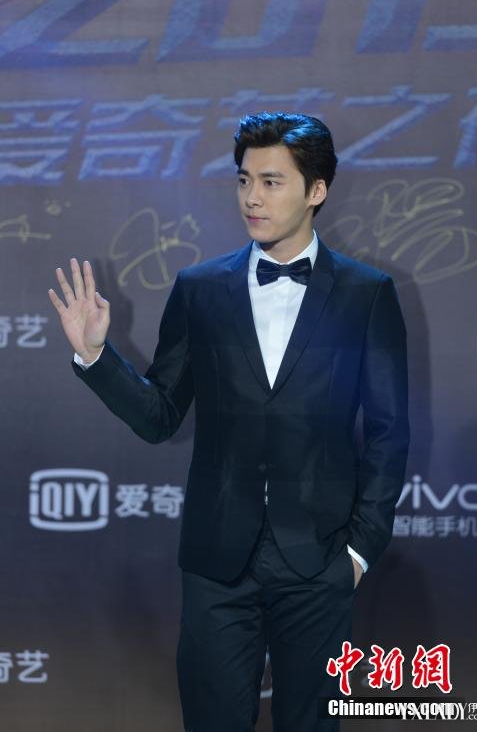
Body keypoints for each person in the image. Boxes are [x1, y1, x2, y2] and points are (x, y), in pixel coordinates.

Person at [48, 111, 410, 731]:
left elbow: (388, 432)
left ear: (316, 190)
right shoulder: (200, 288)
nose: (251, 198)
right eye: (244, 180)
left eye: (271, 182)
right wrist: (96, 356)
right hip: (217, 560)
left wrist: (358, 551)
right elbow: (160, 416)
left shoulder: (365, 293)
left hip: (320, 558)